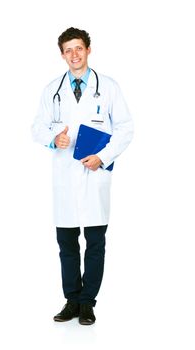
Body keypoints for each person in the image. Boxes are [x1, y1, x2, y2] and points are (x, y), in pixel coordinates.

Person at [31, 27, 133, 325]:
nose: (74, 55)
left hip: (95, 176)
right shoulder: (52, 89)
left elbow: (126, 127)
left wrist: (103, 156)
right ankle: (72, 300)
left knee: (95, 243)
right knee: (67, 244)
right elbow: (38, 126)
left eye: (79, 48)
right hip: (64, 176)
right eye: (68, 50)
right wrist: (54, 139)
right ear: (62, 55)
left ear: (88, 49)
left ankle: (88, 303)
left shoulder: (109, 87)